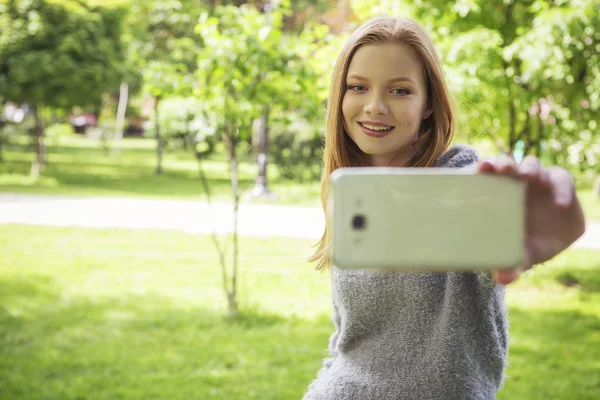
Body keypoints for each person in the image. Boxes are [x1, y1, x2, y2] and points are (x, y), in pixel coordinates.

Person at [302, 16, 586, 400]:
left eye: (400, 91)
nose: (375, 106)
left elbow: (496, 234)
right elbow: (348, 341)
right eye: (358, 87)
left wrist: (545, 220)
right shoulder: (352, 190)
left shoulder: (460, 178)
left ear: (429, 104)